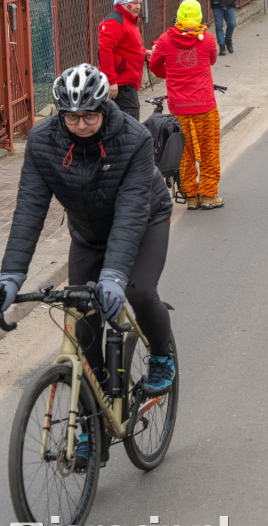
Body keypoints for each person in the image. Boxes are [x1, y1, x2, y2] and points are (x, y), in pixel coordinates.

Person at [0, 64, 176, 465]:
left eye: (89, 116)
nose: (80, 124)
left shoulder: (132, 138)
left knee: (138, 290)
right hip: (88, 234)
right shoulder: (43, 141)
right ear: (59, 112)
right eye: (71, 116)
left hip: (145, 220)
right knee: (84, 324)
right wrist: (11, 275)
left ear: (105, 108)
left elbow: (131, 212)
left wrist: (114, 274)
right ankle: (91, 431)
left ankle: (162, 356)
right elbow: (29, 209)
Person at [149, 0, 223, 210]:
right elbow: (212, 60)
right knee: (209, 151)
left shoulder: (164, 40)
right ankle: (208, 195)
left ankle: (191, 196)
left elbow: (155, 65)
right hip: (205, 106)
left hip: (179, 108)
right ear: (199, 17)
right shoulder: (207, 39)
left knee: (183, 153)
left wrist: (170, 72)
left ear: (179, 18)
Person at [97, 0, 149, 120]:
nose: (138, 6)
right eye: (134, 3)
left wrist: (144, 53)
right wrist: (111, 80)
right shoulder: (115, 22)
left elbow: (129, 48)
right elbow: (105, 51)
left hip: (126, 82)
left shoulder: (128, 20)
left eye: (139, 3)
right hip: (121, 84)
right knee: (129, 124)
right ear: (125, 4)